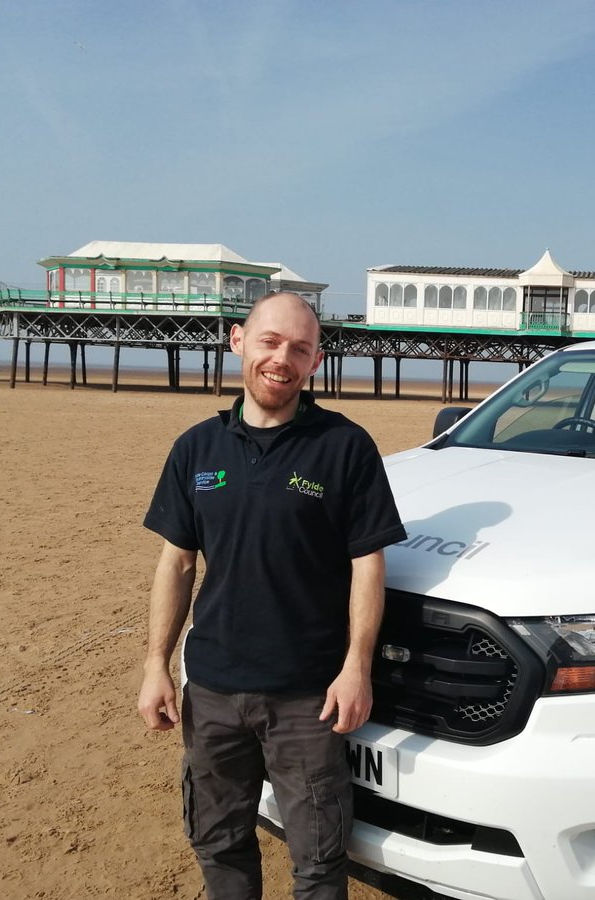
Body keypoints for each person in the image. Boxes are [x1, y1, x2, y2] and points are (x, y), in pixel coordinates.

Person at [137, 292, 406, 899]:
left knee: (318, 857)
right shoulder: (195, 449)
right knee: (218, 840)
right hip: (210, 690)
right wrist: (156, 664)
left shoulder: (345, 448)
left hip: (306, 697)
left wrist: (356, 668)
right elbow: (177, 563)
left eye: (301, 348)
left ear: (315, 362)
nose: (282, 358)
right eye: (270, 341)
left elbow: (369, 565)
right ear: (238, 341)